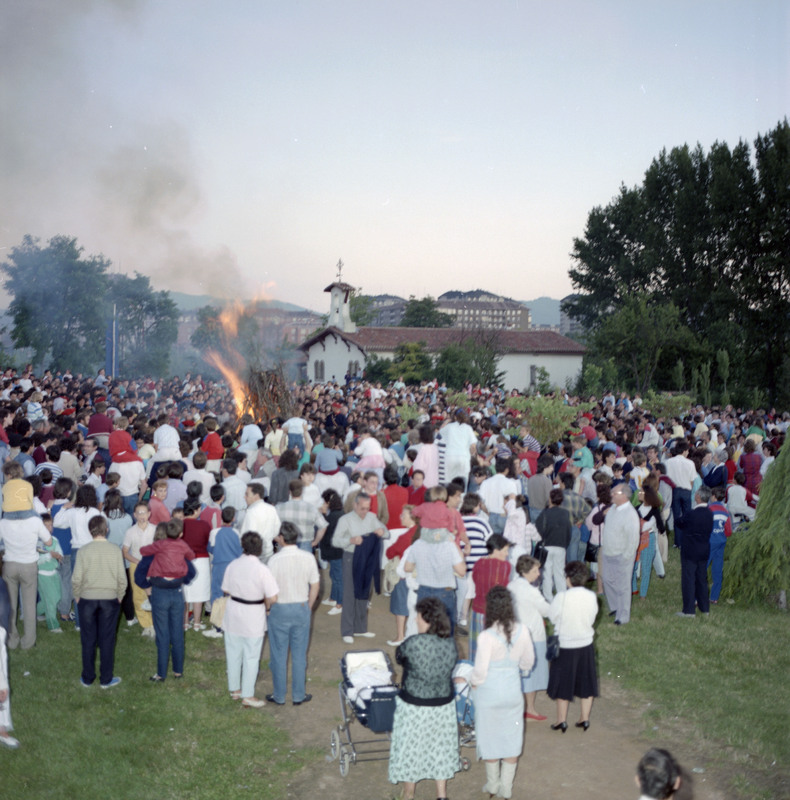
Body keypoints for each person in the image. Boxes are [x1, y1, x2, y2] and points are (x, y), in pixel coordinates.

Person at [388, 597, 459, 800]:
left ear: (427, 620)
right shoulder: (451, 644)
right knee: (440, 747)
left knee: (410, 748)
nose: (415, 620)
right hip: (443, 705)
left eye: (418, 617)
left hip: (414, 705)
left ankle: (409, 794)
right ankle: (441, 795)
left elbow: (399, 657)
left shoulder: (413, 643)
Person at [472, 585, 534, 799]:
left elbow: (480, 671)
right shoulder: (523, 630)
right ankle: (506, 788)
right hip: (513, 692)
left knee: (490, 738)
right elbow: (528, 662)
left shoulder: (486, 636)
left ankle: (492, 784)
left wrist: (474, 682)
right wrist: (520, 670)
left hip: (489, 693)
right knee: (511, 738)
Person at [220, 532, 279, 708]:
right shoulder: (262, 569)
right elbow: (273, 597)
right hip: (253, 613)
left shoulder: (233, 565)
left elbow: (226, 589)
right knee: (251, 655)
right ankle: (247, 694)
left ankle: (235, 689)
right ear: (260, 549)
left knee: (233, 652)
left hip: (233, 610)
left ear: (242, 546)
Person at [265, 521, 319, 706]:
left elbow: (269, 590)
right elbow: (315, 585)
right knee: (299, 654)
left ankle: (279, 695)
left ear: (281, 538)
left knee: (278, 654)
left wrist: (268, 608)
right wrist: (309, 605)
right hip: (300, 607)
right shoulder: (308, 557)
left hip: (279, 608)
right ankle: (298, 695)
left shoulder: (274, 560)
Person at [72, 516, 127, 688]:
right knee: (107, 639)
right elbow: (122, 578)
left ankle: (87, 678)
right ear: (106, 530)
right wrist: (120, 595)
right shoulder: (115, 550)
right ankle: (106, 679)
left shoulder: (83, 551)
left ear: (90, 531)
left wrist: (77, 595)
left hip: (87, 599)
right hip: (110, 600)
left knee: (88, 639)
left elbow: (76, 578)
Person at [140, 521, 196, 681]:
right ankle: (178, 671)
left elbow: (142, 556)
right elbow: (191, 568)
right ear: (180, 534)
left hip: (160, 593)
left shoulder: (157, 548)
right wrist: (181, 579)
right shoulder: (182, 547)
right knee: (177, 632)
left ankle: (161, 673)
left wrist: (148, 587)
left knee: (162, 633)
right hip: (177, 593)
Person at [547, 561, 599, 732]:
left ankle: (561, 720)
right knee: (586, 682)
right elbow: (592, 617)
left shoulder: (561, 597)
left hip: (565, 645)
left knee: (563, 682)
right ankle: (584, 718)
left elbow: (553, 617)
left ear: (568, 578)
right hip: (585, 644)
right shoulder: (591, 596)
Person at [0, 488, 53, 650]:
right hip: (29, 564)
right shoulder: (35, 520)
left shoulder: (4, 521)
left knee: (11, 604)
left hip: (10, 564)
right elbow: (49, 541)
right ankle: (28, 642)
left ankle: (12, 639)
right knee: (29, 605)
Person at [332, 491, 388, 644]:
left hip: (368, 558)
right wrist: (350, 540)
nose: (365, 511)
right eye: (362, 508)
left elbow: (386, 533)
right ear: (355, 505)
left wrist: (382, 531)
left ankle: (360, 628)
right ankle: (347, 630)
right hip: (351, 557)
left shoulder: (372, 517)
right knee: (350, 593)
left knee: (364, 592)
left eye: (367, 508)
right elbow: (335, 541)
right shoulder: (345, 520)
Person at [508, 554, 551, 721]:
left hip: (514, 634)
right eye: (535, 571)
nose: (538, 573)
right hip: (533, 636)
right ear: (525, 572)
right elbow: (546, 610)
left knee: (517, 672)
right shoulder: (532, 591)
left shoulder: (511, 585)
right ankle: (530, 709)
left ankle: (516, 707)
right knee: (532, 674)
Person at [599, 484, 640, 625]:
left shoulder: (630, 514)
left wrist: (627, 556)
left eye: (614, 493)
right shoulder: (612, 509)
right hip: (608, 552)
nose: (611, 495)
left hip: (622, 555)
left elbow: (633, 539)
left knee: (623, 587)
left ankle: (623, 616)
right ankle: (615, 607)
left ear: (624, 496)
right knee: (607, 580)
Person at [675, 485, 713, 618]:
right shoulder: (710, 513)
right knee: (702, 579)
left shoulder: (692, 514)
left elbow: (679, 522)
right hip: (704, 549)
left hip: (690, 551)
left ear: (698, 497)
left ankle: (689, 610)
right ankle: (704, 608)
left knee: (689, 579)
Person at [535, 488, 573, 602]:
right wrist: (565, 544)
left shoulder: (545, 513)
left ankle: (549, 598)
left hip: (546, 545)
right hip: (560, 545)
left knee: (547, 573)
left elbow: (538, 528)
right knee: (560, 572)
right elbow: (568, 530)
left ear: (550, 499)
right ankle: (562, 596)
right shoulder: (565, 513)